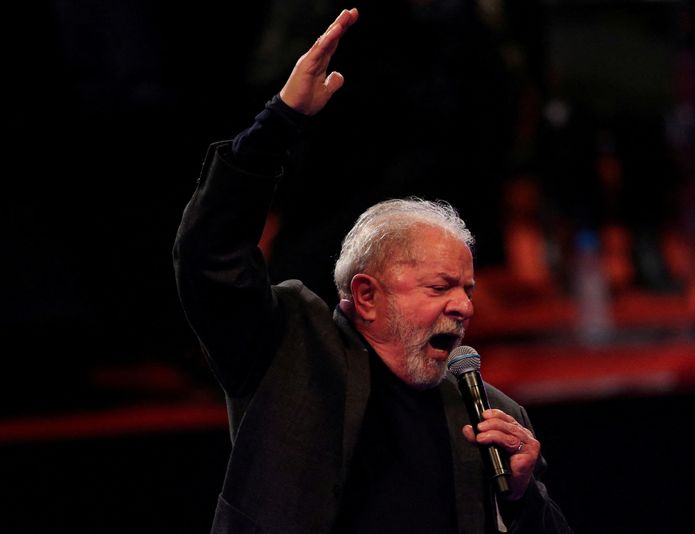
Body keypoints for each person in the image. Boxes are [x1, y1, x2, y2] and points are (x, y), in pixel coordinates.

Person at [173, 8, 572, 533]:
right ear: (365, 295)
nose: (465, 306)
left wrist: (523, 499)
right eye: (441, 287)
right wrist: (280, 121)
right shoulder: (289, 355)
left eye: (467, 290)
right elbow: (211, 256)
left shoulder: (494, 420)